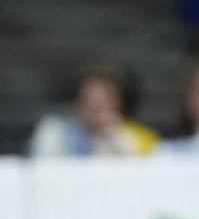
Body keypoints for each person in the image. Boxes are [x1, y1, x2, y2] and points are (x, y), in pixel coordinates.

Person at [30, 64, 159, 157]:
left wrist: (112, 136)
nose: (97, 104)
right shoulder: (55, 131)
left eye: (106, 99)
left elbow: (139, 176)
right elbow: (44, 168)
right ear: (78, 102)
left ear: (120, 103)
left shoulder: (136, 137)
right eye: (90, 98)